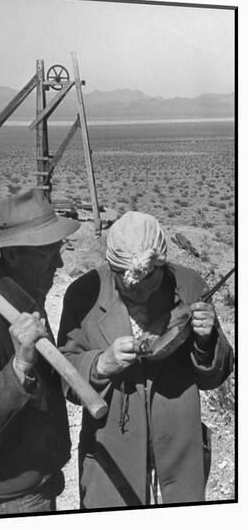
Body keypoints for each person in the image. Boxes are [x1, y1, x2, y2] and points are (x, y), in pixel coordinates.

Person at [58, 211, 234, 508]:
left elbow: (214, 376)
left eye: (144, 278)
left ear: (161, 267)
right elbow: (63, 371)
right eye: (122, 278)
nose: (133, 286)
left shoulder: (190, 287)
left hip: (178, 450)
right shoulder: (84, 294)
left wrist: (207, 340)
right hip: (111, 454)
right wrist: (100, 364)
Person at [0, 188, 80, 515]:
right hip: (14, 498)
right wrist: (19, 367)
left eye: (58, 249)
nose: (60, 262)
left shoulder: (26, 302)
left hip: (38, 480)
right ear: (12, 255)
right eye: (48, 253)